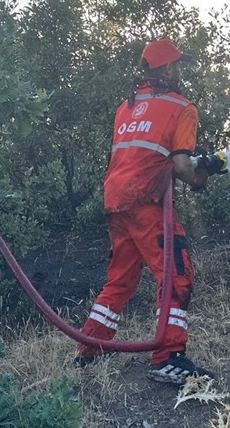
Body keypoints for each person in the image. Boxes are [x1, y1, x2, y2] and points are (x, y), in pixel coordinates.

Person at [75, 38, 222, 384]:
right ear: (169, 68)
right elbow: (183, 167)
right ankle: (168, 357)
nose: (180, 71)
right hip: (146, 201)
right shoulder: (181, 106)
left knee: (121, 279)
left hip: (115, 199)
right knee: (176, 273)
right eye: (178, 65)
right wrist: (202, 177)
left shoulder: (125, 108)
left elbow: (146, 154)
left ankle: (90, 349)